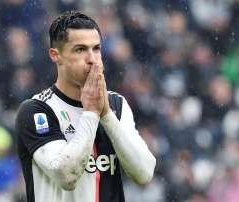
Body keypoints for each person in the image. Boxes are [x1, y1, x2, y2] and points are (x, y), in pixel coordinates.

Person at [15, 11, 156, 202]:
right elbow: (67, 177)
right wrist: (91, 113)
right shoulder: (37, 111)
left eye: (96, 48)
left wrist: (106, 114)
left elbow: (144, 174)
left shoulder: (117, 104)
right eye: (80, 49)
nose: (92, 58)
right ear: (56, 55)